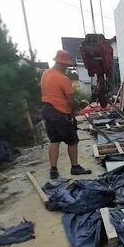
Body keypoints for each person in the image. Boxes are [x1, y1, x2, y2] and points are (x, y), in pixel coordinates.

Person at [41, 50, 92, 179]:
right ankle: (75, 167)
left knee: (54, 140)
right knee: (72, 140)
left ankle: (53, 170)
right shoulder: (63, 79)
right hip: (60, 113)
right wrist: (75, 110)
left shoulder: (45, 74)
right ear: (61, 63)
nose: (67, 67)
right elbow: (70, 99)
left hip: (47, 111)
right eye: (66, 65)